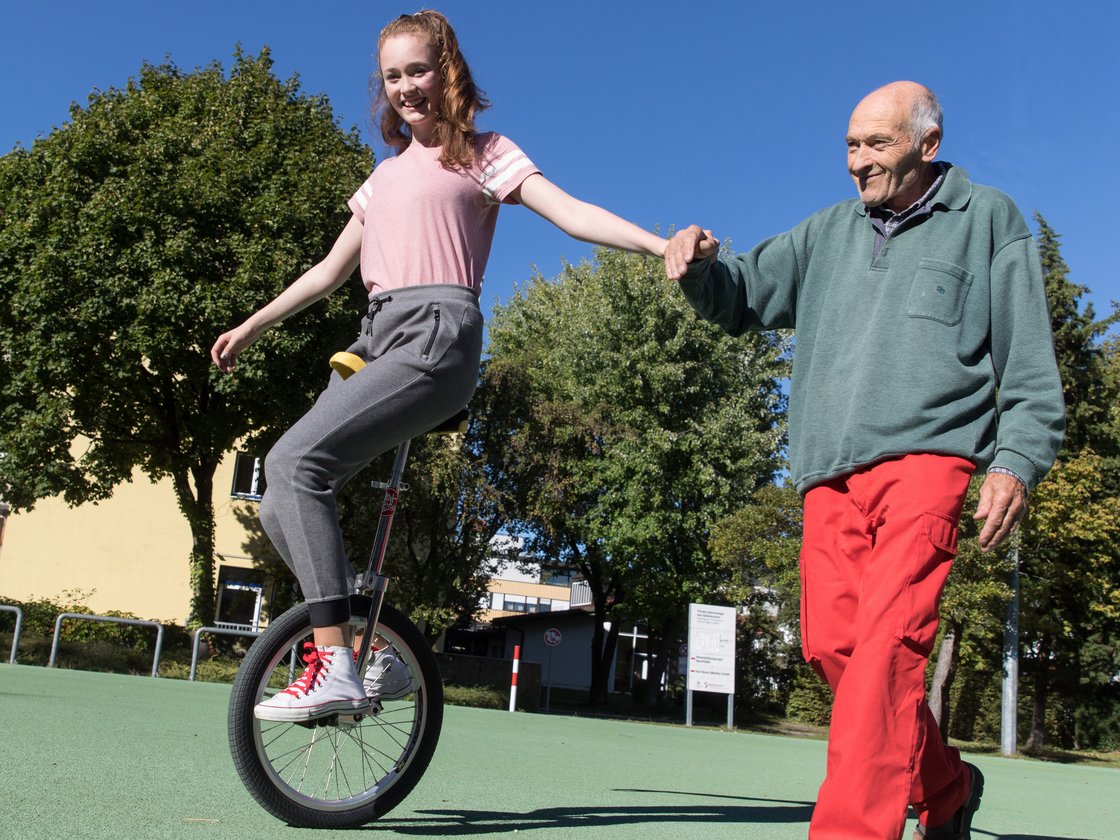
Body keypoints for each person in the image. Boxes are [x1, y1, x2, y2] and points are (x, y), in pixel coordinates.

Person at [211, 10, 665, 723]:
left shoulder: (484, 153)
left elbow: (571, 212)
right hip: (374, 338)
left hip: (437, 331)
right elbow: (328, 271)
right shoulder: (383, 178)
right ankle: (366, 651)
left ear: (447, 71)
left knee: (296, 464)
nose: (406, 88)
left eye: (418, 70)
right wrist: (253, 324)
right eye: (392, 76)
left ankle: (332, 663)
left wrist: (658, 244)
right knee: (280, 493)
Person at [664, 81, 1064, 840]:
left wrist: (1016, 458)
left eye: (876, 144)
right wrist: (699, 265)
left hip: (929, 459)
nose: (858, 162)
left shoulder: (989, 221)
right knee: (833, 649)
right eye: (850, 145)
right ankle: (945, 786)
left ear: (927, 144)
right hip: (827, 468)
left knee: (885, 654)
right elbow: (740, 294)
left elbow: (1030, 363)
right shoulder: (826, 234)